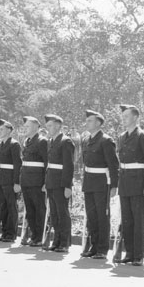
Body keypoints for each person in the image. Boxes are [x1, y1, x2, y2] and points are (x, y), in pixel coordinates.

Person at [116, 104, 144, 265]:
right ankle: (130, 252)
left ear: (135, 117)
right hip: (125, 181)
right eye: (123, 116)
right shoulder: (121, 136)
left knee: (139, 219)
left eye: (126, 116)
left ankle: (138, 255)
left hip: (138, 182)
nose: (123, 119)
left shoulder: (143, 136)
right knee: (126, 219)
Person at [80, 110, 120, 260]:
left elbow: (113, 164)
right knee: (91, 217)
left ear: (98, 123)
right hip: (89, 181)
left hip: (102, 183)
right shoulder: (86, 139)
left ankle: (102, 249)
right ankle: (93, 246)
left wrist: (114, 186)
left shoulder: (106, 140)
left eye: (90, 120)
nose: (87, 123)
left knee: (102, 216)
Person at [44, 114, 74, 252]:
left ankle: (64, 242)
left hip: (61, 183)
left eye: (50, 125)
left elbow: (69, 165)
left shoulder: (65, 141)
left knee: (62, 213)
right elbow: (49, 165)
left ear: (57, 126)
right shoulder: (51, 141)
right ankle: (56, 241)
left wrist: (68, 186)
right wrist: (46, 181)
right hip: (51, 182)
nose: (47, 128)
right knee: (54, 214)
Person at [19, 116, 48, 246]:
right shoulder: (27, 141)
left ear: (36, 127)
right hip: (26, 180)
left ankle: (39, 236)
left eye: (28, 126)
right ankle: (34, 235)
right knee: (30, 210)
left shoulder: (42, 141)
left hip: (37, 181)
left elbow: (47, 162)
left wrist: (45, 182)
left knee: (39, 209)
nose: (25, 129)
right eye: (25, 126)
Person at [0, 119, 22, 242]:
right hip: (1, 180)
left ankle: (11, 234)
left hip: (10, 180)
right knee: (3, 206)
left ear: (9, 130)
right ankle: (4, 231)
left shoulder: (14, 144)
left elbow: (17, 164)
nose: (0, 131)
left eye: (3, 129)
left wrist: (17, 182)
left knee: (11, 207)